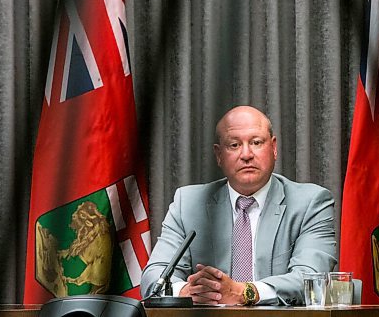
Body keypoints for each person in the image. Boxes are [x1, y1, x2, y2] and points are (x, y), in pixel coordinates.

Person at [140, 106, 337, 305]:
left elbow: (312, 278)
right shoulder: (189, 204)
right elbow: (154, 277)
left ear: (274, 148)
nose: (246, 154)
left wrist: (244, 292)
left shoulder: (310, 203)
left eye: (256, 142)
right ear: (218, 155)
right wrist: (188, 291)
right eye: (234, 145)